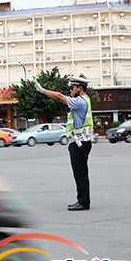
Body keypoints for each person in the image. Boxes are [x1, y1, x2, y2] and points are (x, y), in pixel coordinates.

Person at [35, 76, 93, 211]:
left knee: (80, 174)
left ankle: (83, 202)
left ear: (80, 88)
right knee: (81, 173)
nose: (70, 90)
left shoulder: (80, 102)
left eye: (72, 88)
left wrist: (42, 90)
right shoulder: (85, 100)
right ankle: (83, 200)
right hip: (82, 141)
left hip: (80, 143)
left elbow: (60, 97)